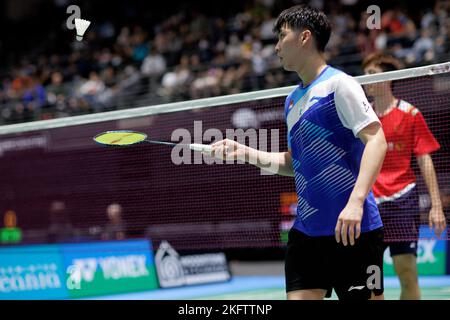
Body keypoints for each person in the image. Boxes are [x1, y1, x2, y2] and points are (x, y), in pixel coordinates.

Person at [210, 5, 387, 300]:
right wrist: (243, 152)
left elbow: (377, 140)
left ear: (305, 37)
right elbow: (295, 163)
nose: (277, 46)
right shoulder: (292, 100)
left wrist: (356, 203)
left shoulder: (339, 85)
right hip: (307, 232)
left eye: (282, 36)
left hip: (353, 228)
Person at [362, 52, 447, 300]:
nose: (365, 80)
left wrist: (437, 206)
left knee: (407, 272)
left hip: (403, 202)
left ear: (388, 78)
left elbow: (424, 160)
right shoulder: (362, 120)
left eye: (371, 74)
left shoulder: (410, 113)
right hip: (370, 205)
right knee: (371, 278)